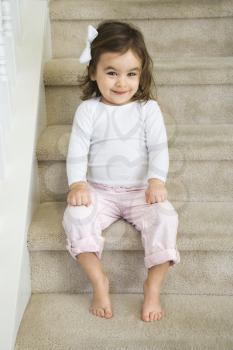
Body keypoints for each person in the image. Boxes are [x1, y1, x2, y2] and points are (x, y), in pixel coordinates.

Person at [62, 21, 180, 323]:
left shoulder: (147, 109)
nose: (121, 83)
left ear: (141, 75)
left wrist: (156, 180)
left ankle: (152, 287)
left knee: (166, 218)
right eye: (111, 72)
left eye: (131, 74)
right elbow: (77, 150)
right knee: (75, 217)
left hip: (140, 192)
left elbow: (158, 148)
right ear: (93, 72)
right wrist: (77, 184)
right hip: (100, 190)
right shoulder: (88, 110)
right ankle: (99, 281)